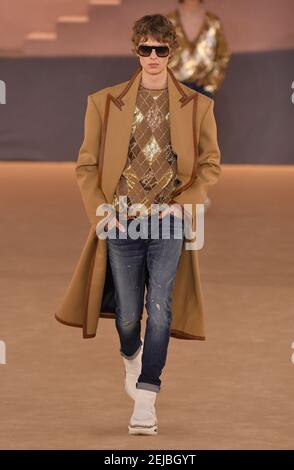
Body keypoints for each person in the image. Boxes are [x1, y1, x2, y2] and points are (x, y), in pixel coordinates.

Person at [55, 13, 221, 436]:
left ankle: (147, 396)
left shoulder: (198, 106)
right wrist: (102, 212)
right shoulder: (103, 102)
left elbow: (210, 165)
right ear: (136, 50)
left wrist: (183, 206)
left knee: (160, 307)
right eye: (145, 49)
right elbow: (86, 166)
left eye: (160, 49)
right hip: (122, 221)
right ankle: (131, 356)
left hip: (168, 222)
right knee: (128, 315)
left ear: (170, 52)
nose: (152, 56)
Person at [166, 0, 230, 211]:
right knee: (173, 139)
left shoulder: (213, 22)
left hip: (204, 88)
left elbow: (222, 56)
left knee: (201, 141)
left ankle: (199, 191)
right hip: (174, 87)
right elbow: (158, 52)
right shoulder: (167, 22)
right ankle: (172, 190)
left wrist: (212, 84)